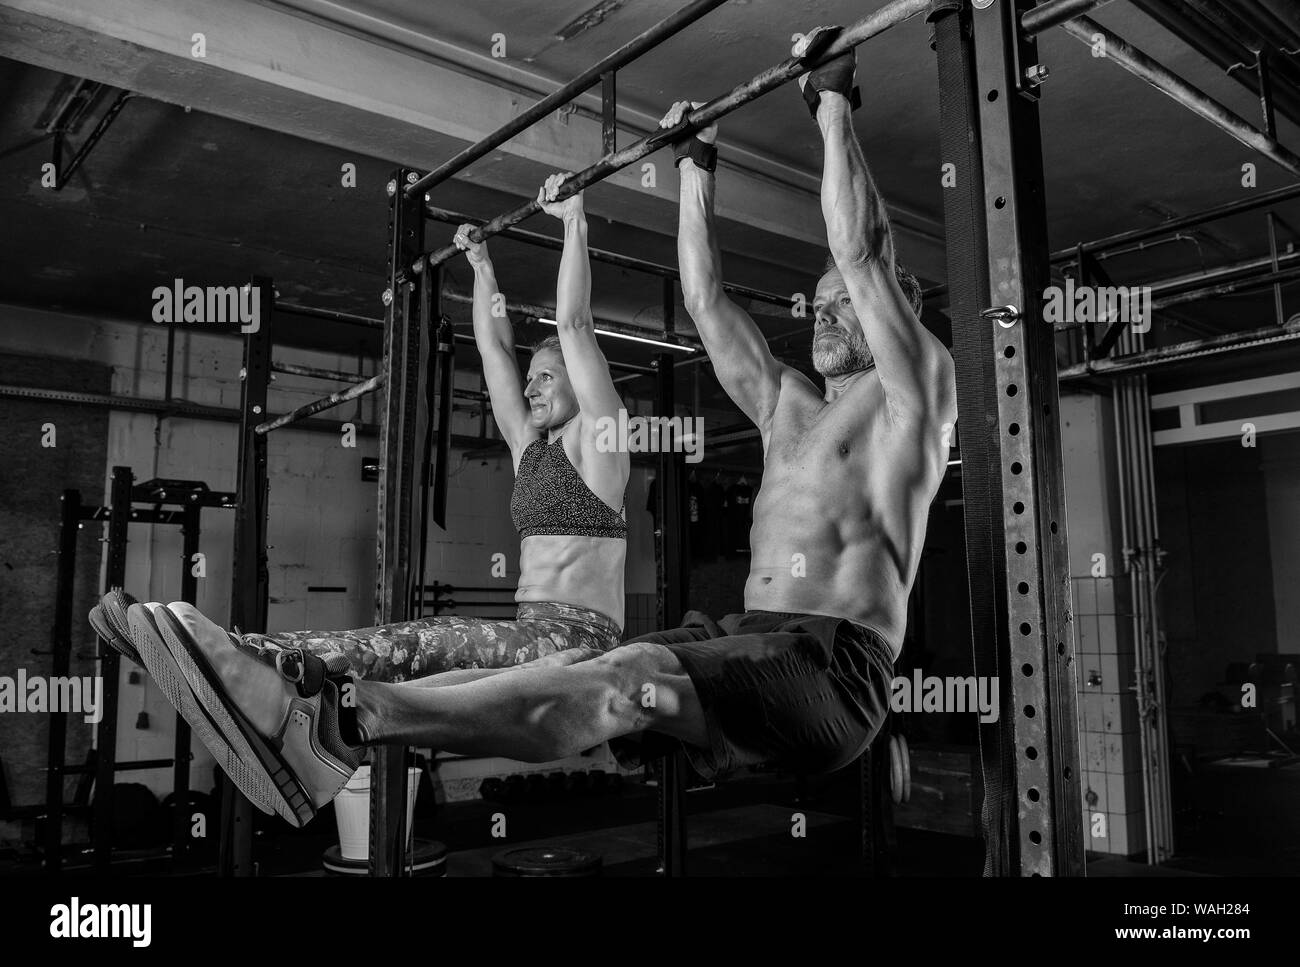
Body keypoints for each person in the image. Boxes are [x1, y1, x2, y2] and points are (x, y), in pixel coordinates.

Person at [103, 27, 956, 831]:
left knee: (624, 678)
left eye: (846, 307)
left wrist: (832, 102)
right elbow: (705, 300)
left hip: (832, 664)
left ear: (897, 317)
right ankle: (286, 688)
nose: (829, 312)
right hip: (744, 631)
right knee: (559, 675)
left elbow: (861, 254)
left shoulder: (913, 392)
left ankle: (336, 724)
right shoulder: (787, 405)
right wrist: (696, 165)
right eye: (825, 305)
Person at [89, 173, 632, 826]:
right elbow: (492, 348)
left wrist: (574, 218)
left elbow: (574, 322)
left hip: (581, 641)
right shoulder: (529, 447)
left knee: (430, 637)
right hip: (526, 632)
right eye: (535, 375)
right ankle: (235, 655)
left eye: (548, 374)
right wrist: (482, 266)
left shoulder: (603, 441)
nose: (535, 385)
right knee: (391, 654)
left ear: (585, 377)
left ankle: (232, 656)